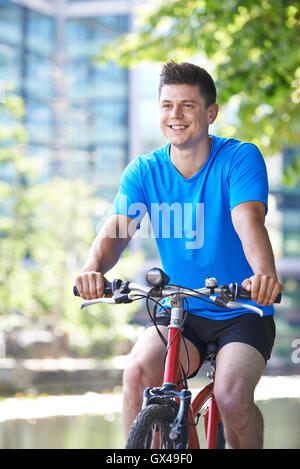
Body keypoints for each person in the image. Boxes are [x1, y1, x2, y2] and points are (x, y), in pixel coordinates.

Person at [75, 61, 283, 449]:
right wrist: (92, 269)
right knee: (138, 372)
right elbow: (117, 228)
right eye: (167, 105)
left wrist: (263, 274)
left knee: (233, 397)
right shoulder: (144, 171)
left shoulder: (238, 159)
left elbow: (248, 220)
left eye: (187, 105)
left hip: (243, 308)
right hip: (181, 311)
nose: (176, 115)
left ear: (210, 113)